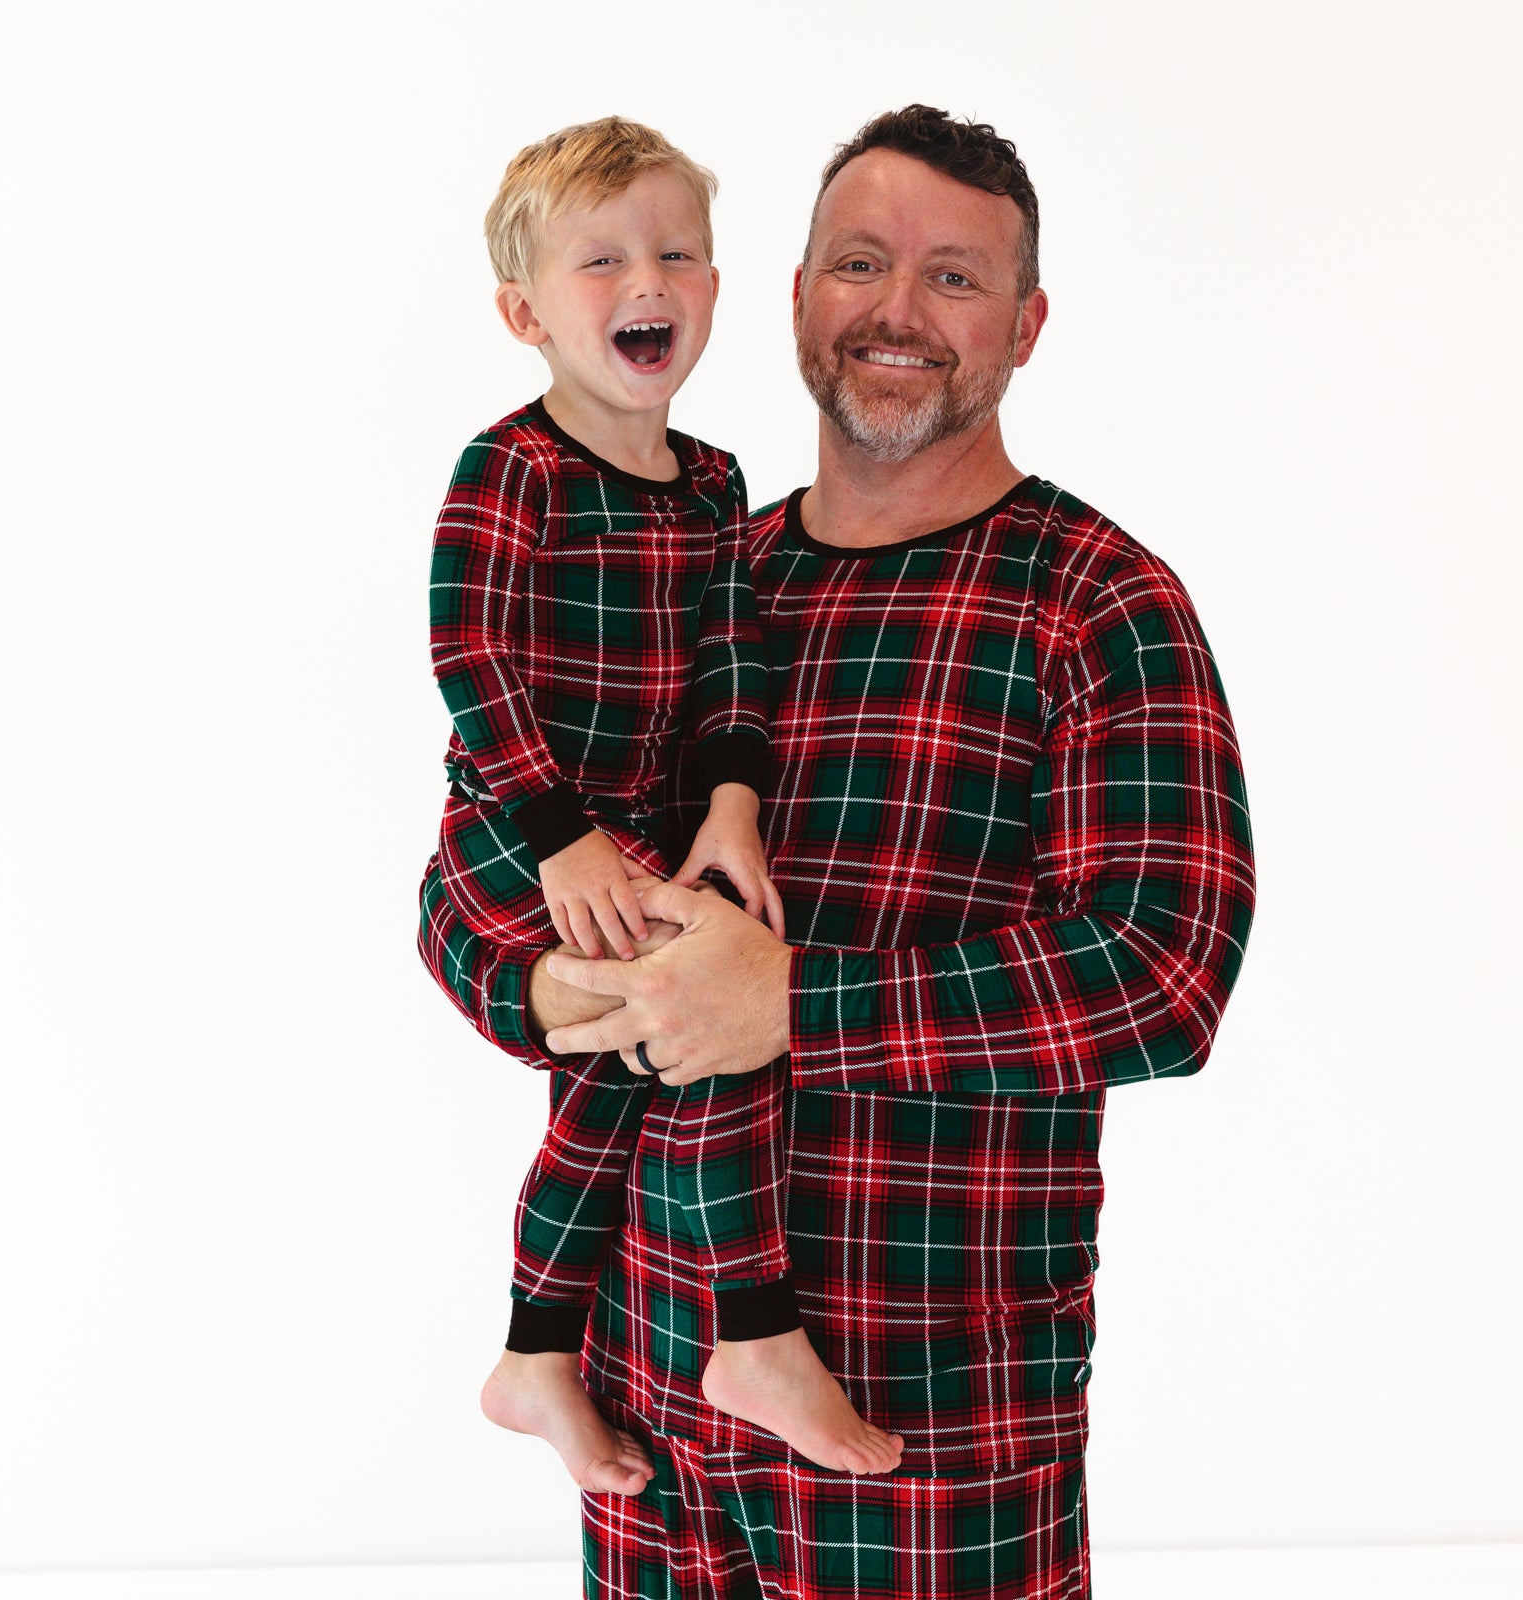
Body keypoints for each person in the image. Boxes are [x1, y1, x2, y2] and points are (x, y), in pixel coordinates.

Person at [420, 104, 1256, 1598]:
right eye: (860, 262)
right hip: (643, 1412)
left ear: (1028, 324)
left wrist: (791, 1001)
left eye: (955, 278)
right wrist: (550, 990)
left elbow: (1165, 976)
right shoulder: (686, 561)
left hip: (923, 1431)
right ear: (797, 294)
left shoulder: (1096, 606)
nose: (896, 310)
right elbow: (461, 871)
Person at [418, 116, 904, 1499]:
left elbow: (729, 667)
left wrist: (736, 805)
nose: (650, 279)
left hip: (648, 834)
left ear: (716, 289)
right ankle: (751, 1331)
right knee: (717, 1010)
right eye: (603, 259)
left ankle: (535, 1353)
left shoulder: (711, 489)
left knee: (626, 1074)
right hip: (518, 831)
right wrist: (556, 828)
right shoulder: (512, 470)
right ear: (526, 312)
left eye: (678, 252)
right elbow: (472, 656)